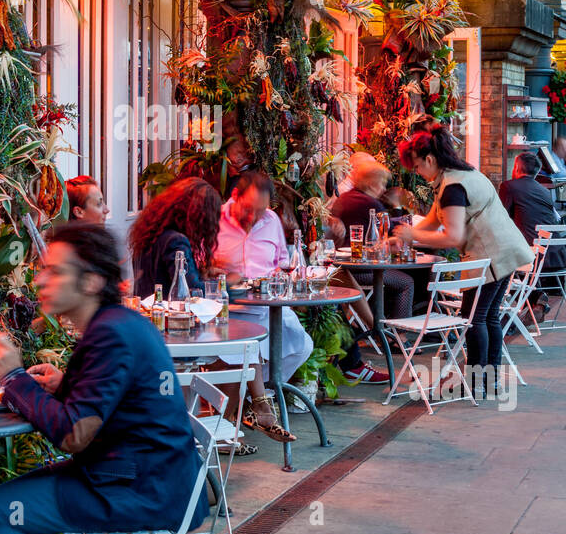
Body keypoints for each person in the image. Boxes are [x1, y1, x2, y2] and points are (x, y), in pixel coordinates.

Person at [0, 223, 207, 534]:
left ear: (90, 282)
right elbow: (120, 398)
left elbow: (74, 434)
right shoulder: (118, 323)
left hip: (137, 489)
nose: (40, 280)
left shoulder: (111, 333)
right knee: (0, 513)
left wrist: (13, 376)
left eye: (55, 272)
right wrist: (64, 384)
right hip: (149, 478)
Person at [127, 177, 294, 447]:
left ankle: (238, 420)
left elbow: (172, 280)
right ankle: (247, 415)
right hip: (175, 336)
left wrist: (205, 272)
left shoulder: (152, 233)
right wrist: (227, 282)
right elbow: (191, 292)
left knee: (241, 347)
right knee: (242, 346)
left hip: (152, 326)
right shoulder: (176, 241)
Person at [395, 126, 532, 395]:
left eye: (417, 167)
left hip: (489, 256)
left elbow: (452, 236)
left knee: (473, 320)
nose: (418, 174)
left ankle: (477, 381)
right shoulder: (462, 174)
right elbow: (434, 222)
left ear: (430, 160)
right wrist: (406, 237)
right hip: (505, 251)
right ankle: (488, 381)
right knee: (488, 317)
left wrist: (411, 234)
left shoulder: (452, 187)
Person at [213, 170, 314, 388]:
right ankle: (250, 398)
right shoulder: (216, 219)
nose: (254, 217)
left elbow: (282, 261)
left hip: (267, 304)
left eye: (260, 211)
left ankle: (254, 395)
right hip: (230, 307)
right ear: (235, 195)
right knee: (244, 353)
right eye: (249, 209)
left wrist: (278, 274)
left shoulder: (271, 220)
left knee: (302, 346)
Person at [326, 158, 411, 384]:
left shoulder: (344, 198)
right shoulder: (371, 205)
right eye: (382, 183)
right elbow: (391, 232)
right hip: (359, 269)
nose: (383, 188)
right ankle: (396, 335)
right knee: (405, 282)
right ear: (372, 183)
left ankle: (378, 328)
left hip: (340, 266)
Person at [498, 152, 566, 318]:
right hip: (555, 253)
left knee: (501, 261)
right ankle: (535, 300)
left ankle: (509, 314)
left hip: (532, 254)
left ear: (516, 168)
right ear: (536, 172)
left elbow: (501, 219)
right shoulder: (543, 190)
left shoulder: (509, 186)